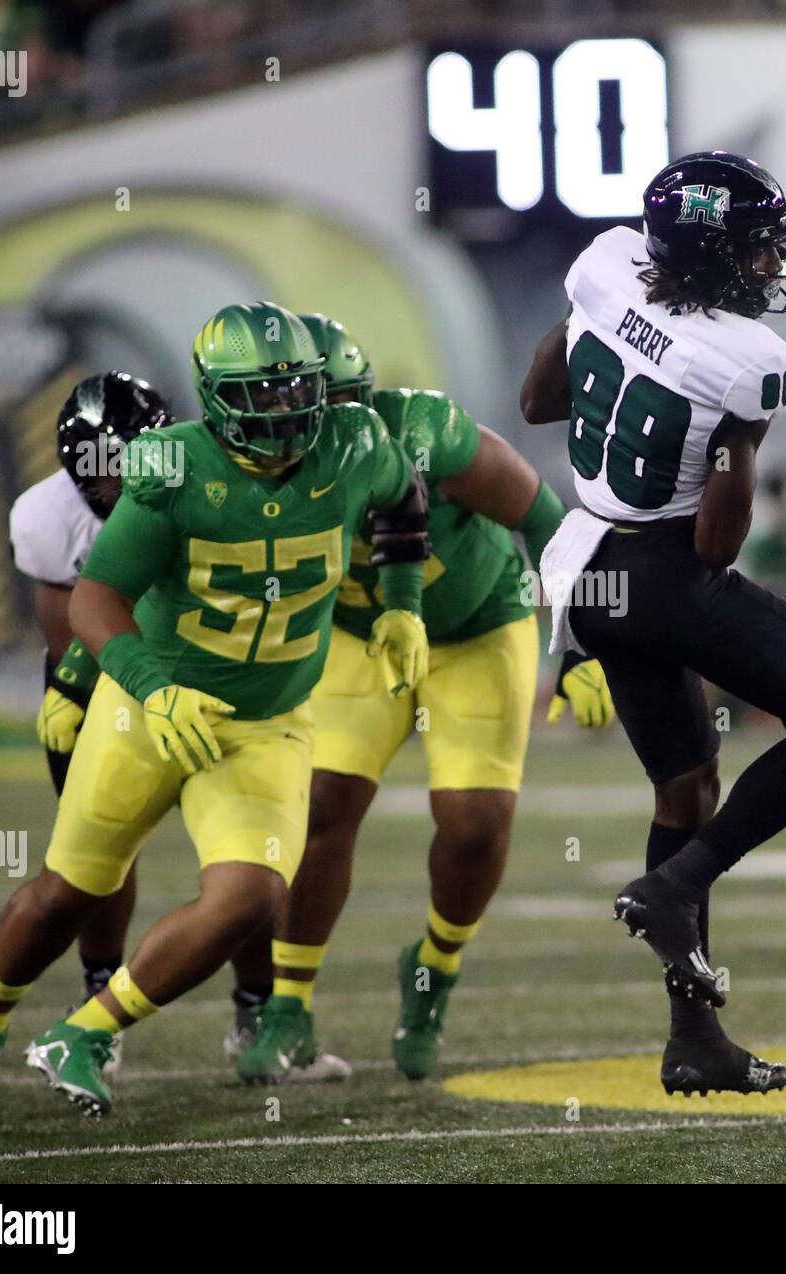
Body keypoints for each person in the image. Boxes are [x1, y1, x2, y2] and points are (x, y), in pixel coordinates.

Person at [0, 301, 429, 1123]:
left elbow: (404, 497)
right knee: (69, 894)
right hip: (149, 709)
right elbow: (98, 597)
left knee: (251, 895)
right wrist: (150, 687)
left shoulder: (354, 442)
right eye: (260, 396)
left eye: (296, 389)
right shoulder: (167, 464)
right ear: (215, 397)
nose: (285, 411)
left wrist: (403, 603)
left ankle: (85, 1033)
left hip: (266, 721)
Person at [521, 151, 786, 1096]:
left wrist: (614, 336)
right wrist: (738, 443)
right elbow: (719, 544)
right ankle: (676, 886)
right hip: (668, 573)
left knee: (685, 795)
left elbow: (538, 401)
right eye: (755, 253)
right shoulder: (749, 362)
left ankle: (693, 1037)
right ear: (714, 256)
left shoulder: (603, 267)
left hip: (587, 573)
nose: (769, 269)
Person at [232, 314, 614, 1084]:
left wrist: (581, 645)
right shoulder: (240, 461)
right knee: (320, 808)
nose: (302, 427)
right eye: (285, 404)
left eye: (323, 404)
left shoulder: (430, 435)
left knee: (474, 825)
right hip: (355, 635)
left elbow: (546, 522)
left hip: (475, 627)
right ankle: (289, 1005)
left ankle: (434, 967)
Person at [10, 371, 169, 1070]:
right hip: (94, 678)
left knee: (252, 858)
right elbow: (68, 640)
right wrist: (76, 695)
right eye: (99, 472)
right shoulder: (45, 515)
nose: (113, 487)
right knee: (95, 860)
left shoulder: (201, 488)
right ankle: (101, 985)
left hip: (195, 669)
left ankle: (260, 1005)